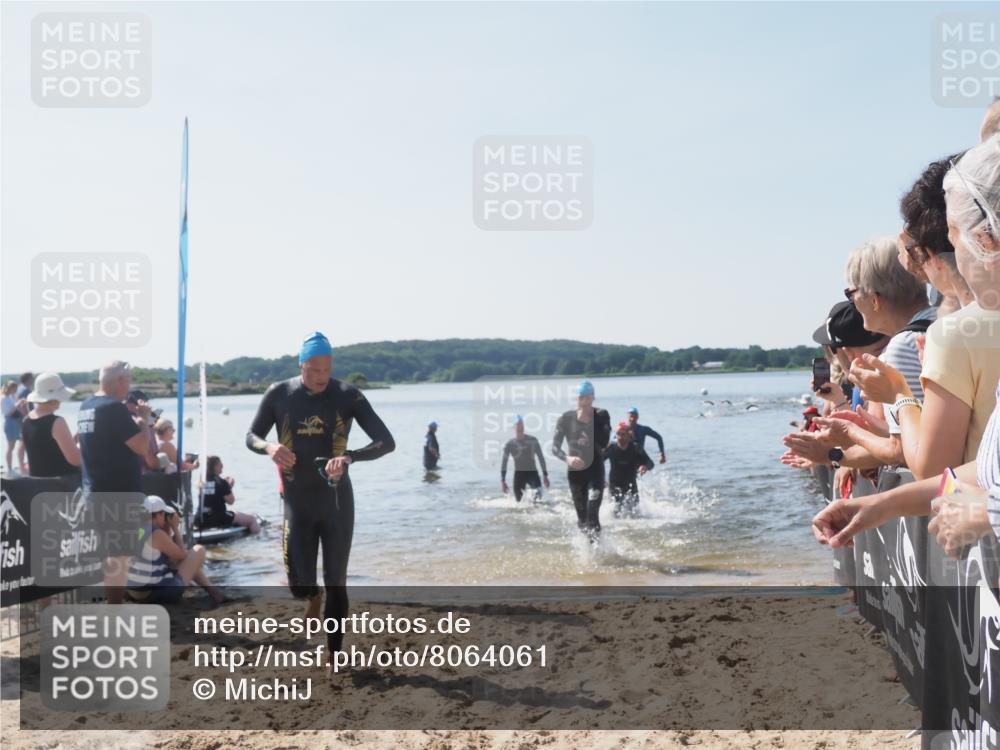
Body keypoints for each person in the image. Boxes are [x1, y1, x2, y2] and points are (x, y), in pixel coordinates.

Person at [246, 331, 394, 656]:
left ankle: (335, 654)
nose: (321, 377)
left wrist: (350, 456)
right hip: (297, 501)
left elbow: (386, 441)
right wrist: (269, 446)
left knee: (336, 581)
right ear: (301, 365)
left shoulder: (347, 395)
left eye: (326, 369)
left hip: (336, 500)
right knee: (300, 583)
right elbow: (251, 435)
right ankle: (313, 598)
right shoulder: (279, 394)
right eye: (314, 369)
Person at [78, 361, 158, 604]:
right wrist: (144, 419)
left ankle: (113, 607)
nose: (129, 386)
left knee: (112, 553)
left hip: (95, 488)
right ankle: (114, 611)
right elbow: (142, 447)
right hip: (117, 491)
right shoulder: (114, 408)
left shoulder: (86, 405)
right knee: (119, 555)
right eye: (129, 380)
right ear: (121, 381)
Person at [127, 495, 224, 605]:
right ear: (158, 514)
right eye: (164, 514)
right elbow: (182, 556)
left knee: (188, 562)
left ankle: (215, 593)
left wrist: (166, 529)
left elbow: (170, 558)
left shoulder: (138, 529)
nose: (165, 518)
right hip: (151, 595)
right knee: (198, 550)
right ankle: (216, 594)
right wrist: (175, 528)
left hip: (133, 591)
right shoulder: (157, 534)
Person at [552, 380, 611, 540]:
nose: (583, 401)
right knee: (583, 520)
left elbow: (605, 442)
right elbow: (554, 448)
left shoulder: (601, 415)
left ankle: (598, 551)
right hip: (576, 475)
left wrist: (588, 421)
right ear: (576, 398)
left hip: (595, 470)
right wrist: (567, 458)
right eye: (580, 397)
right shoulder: (565, 418)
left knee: (592, 513)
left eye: (587, 397)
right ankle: (588, 549)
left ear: (593, 398)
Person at [21, 372, 81, 478]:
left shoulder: (26, 420)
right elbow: (76, 460)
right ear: (53, 398)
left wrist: (71, 442)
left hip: (38, 486)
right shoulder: (57, 422)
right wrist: (83, 446)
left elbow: (45, 452)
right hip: (61, 486)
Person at [603, 421, 654, 517]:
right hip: (614, 486)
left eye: (623, 434)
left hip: (631, 486)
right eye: (618, 434)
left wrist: (645, 466)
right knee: (615, 516)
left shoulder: (635, 448)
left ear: (629, 435)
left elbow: (650, 463)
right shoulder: (611, 448)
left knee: (636, 516)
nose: (620, 437)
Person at [198, 455, 260, 532]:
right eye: (220, 464)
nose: (222, 466)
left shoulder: (202, 480)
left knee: (234, 513)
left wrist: (226, 486)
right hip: (219, 518)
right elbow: (231, 501)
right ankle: (257, 538)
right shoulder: (222, 483)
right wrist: (229, 486)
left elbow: (212, 492)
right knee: (252, 519)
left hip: (201, 519)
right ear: (215, 466)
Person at [500, 415, 550, 501]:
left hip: (532, 473)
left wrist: (545, 475)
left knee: (538, 497)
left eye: (521, 424)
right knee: (518, 503)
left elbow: (541, 458)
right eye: (518, 424)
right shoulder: (510, 444)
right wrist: (503, 480)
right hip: (519, 475)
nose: (520, 426)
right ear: (514, 427)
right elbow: (504, 463)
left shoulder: (532, 440)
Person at [125, 390, 163, 473]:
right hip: (140, 479)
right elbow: (153, 463)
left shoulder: (114, 421)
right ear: (142, 405)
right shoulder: (145, 425)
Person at [2, 381, 22, 475]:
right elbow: (8, 413)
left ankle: (11, 467)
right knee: (10, 446)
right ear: (10, 388)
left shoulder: (11, 397)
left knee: (13, 446)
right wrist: (17, 405)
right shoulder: (4, 398)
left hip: (15, 422)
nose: (16, 390)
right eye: (14, 388)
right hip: (10, 422)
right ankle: (9, 469)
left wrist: (18, 402)